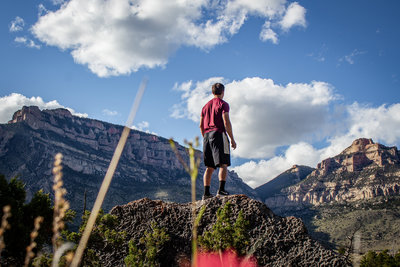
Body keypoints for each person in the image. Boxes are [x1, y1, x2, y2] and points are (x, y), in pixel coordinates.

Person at [199, 83, 237, 200]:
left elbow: (200, 125)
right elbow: (226, 122)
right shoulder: (223, 104)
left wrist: (205, 136)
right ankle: (221, 190)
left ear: (212, 92)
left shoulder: (205, 107)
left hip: (206, 136)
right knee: (223, 163)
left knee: (209, 167)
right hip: (219, 134)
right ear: (223, 92)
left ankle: (206, 193)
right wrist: (232, 139)